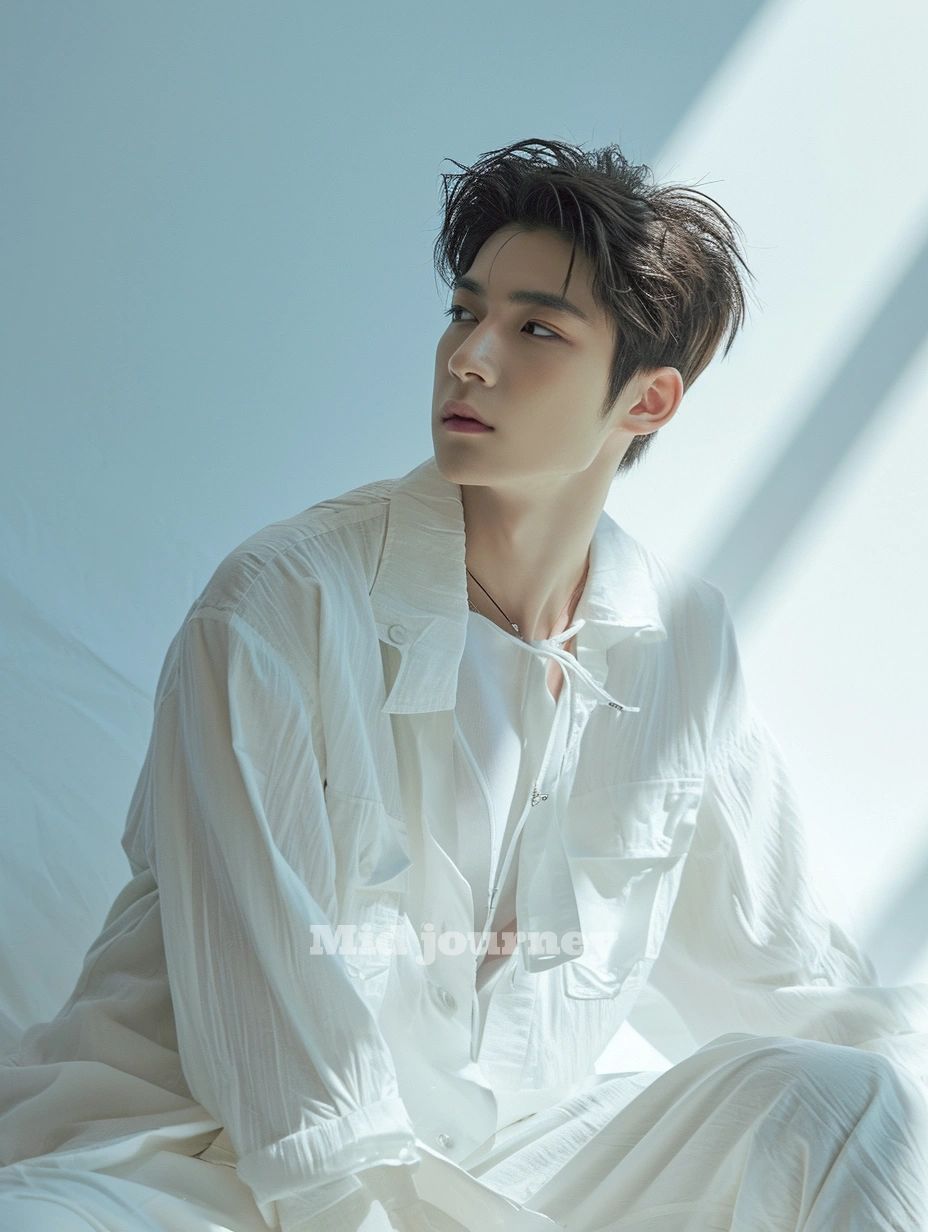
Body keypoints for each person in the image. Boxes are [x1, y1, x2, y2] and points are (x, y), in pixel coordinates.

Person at [2, 137, 927, 1232]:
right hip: (193, 1158)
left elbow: (800, 983)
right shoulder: (279, 604)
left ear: (647, 400)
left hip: (486, 1169)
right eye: (463, 311)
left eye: (536, 328)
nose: (469, 358)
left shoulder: (679, 647)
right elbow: (280, 1052)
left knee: (845, 1101)